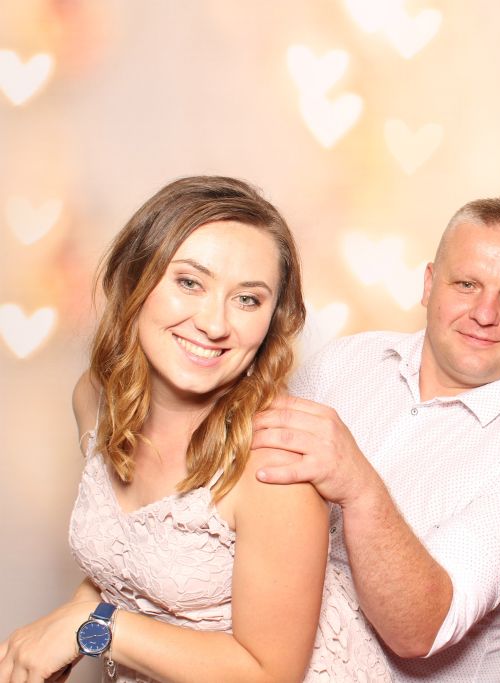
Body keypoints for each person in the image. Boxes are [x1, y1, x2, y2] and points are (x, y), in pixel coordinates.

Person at [0, 176, 390, 683]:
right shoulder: (94, 398)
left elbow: (270, 674)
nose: (214, 324)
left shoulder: (275, 462)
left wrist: (91, 626)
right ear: (135, 279)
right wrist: (60, 633)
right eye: (189, 283)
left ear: (272, 321)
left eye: (247, 299)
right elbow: (130, 553)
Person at [251, 197, 500, 681]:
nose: (485, 313)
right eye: (466, 285)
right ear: (429, 284)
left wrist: (359, 485)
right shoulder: (344, 363)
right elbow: (251, 492)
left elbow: (419, 630)